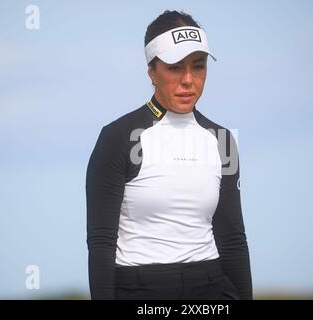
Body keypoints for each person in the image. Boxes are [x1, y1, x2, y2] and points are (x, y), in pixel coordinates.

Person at [86, 10, 252, 300]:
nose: (189, 80)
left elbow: (233, 240)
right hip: (141, 290)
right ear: (151, 70)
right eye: (175, 67)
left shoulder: (223, 140)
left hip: (211, 288)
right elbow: (101, 242)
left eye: (198, 67)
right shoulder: (117, 138)